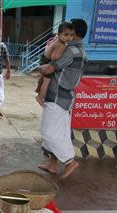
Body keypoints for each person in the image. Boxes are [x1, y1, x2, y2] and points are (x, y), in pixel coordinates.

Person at [37, 19, 87, 180]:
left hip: (58, 96)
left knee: (48, 132)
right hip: (65, 97)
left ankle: (69, 161)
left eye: (69, 32)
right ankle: (53, 165)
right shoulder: (79, 50)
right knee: (61, 133)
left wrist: (38, 68)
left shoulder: (70, 51)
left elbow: (50, 67)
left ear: (74, 33)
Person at [35, 22, 75, 107]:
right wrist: (61, 57)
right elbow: (54, 57)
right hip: (48, 61)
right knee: (46, 82)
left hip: (44, 58)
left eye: (71, 35)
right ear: (59, 34)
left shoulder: (57, 39)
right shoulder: (62, 44)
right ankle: (40, 97)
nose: (69, 38)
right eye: (66, 35)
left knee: (42, 78)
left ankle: (38, 89)